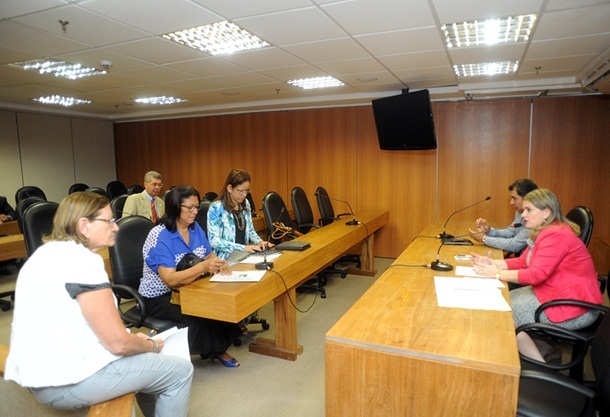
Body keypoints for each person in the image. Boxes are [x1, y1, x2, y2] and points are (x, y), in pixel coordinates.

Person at [4, 192, 193, 416]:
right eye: (109, 221)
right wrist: (151, 346)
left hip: (40, 373)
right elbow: (118, 344)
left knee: (143, 360)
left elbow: (81, 322)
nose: (116, 227)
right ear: (84, 226)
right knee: (180, 371)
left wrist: (134, 342)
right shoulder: (83, 262)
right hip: (67, 381)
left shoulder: (45, 254)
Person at [471, 188, 603, 361]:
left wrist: (497, 273)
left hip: (575, 307)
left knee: (499, 312)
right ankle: (541, 351)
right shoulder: (545, 231)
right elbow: (523, 262)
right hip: (556, 292)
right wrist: (494, 264)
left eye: (529, 210)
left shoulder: (557, 235)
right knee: (501, 301)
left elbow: (536, 275)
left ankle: (540, 364)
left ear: (546, 212)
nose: (523, 214)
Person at [139, 185, 240, 367]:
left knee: (220, 302)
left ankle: (215, 347)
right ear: (175, 208)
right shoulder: (160, 235)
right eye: (190, 207)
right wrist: (202, 267)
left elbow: (208, 254)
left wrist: (218, 262)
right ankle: (201, 353)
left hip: (189, 287)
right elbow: (170, 279)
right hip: (160, 296)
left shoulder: (194, 228)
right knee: (199, 311)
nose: (195, 212)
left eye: (197, 207)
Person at [207, 169, 272, 259]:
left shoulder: (245, 203)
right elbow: (214, 241)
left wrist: (259, 242)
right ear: (230, 188)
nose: (244, 194)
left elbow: (250, 230)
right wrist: (243, 248)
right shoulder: (216, 208)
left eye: (247, 191)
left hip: (244, 256)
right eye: (241, 191)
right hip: (224, 259)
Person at [469, 178, 538, 255]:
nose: (511, 202)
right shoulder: (520, 212)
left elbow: (515, 245)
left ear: (527, 198)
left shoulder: (536, 218)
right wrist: (489, 231)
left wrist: (484, 239)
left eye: (514, 198)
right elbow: (510, 232)